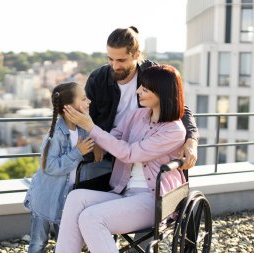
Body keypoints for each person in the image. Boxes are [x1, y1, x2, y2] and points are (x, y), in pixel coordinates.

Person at [55, 64, 187, 253]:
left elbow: (130, 153)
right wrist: (84, 131)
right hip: (124, 191)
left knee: (92, 218)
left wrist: (92, 127)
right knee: (76, 197)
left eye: (145, 89)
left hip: (154, 200)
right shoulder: (136, 115)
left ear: (162, 94)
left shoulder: (174, 130)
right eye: (140, 86)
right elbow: (114, 138)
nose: (138, 91)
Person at [84, 26, 198, 175]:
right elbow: (85, 116)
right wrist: (96, 143)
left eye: (121, 60)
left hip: (143, 152)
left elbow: (179, 107)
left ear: (136, 55)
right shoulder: (98, 78)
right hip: (107, 149)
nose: (115, 65)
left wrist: (192, 140)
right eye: (110, 59)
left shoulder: (151, 73)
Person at [23, 82, 95, 253]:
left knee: (66, 242)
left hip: (67, 199)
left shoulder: (82, 130)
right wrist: (78, 152)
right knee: (38, 243)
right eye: (84, 99)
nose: (89, 101)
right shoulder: (55, 134)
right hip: (46, 198)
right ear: (69, 108)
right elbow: (50, 166)